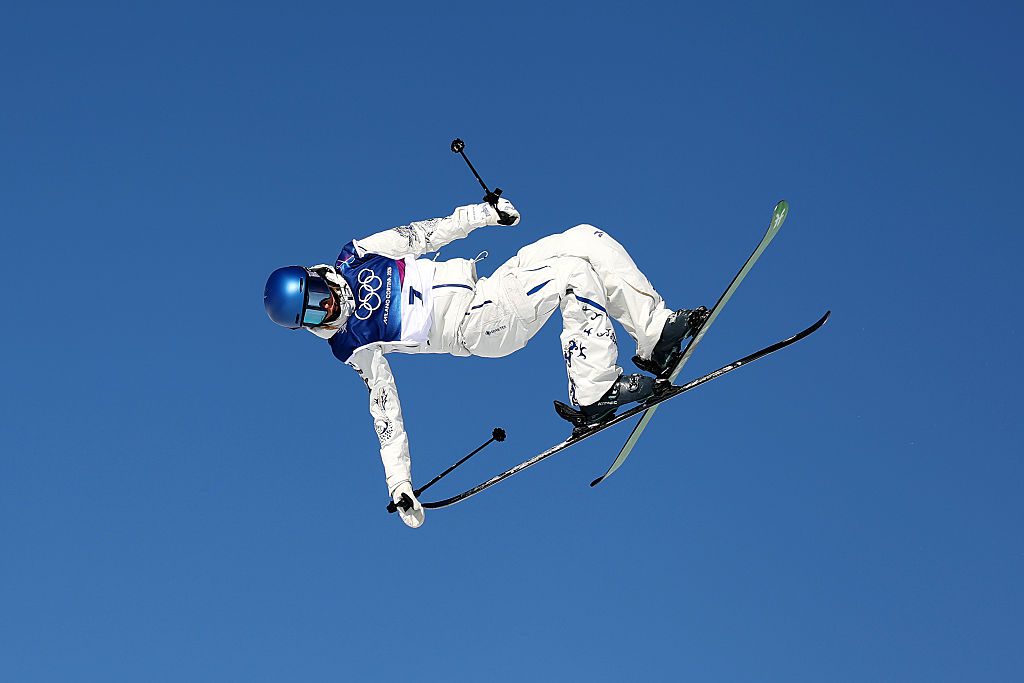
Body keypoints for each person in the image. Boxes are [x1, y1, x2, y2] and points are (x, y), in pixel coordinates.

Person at [263, 199, 707, 528]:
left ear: (315, 276)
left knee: (585, 239)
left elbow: (421, 234)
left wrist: (483, 214)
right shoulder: (351, 343)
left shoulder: (357, 255)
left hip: (488, 287)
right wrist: (399, 483)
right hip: (476, 325)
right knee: (573, 275)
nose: (327, 308)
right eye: (314, 315)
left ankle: (655, 333)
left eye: (318, 296)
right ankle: (594, 390)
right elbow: (384, 408)